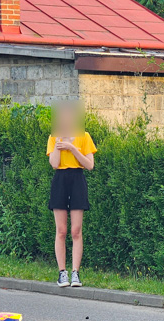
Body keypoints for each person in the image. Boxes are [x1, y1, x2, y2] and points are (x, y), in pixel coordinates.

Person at [47, 101, 96, 287]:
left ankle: (75, 272)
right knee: (61, 231)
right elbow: (54, 163)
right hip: (60, 180)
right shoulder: (54, 137)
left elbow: (90, 165)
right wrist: (60, 144)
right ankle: (62, 273)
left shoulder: (84, 136)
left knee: (76, 231)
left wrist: (73, 148)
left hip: (77, 179)